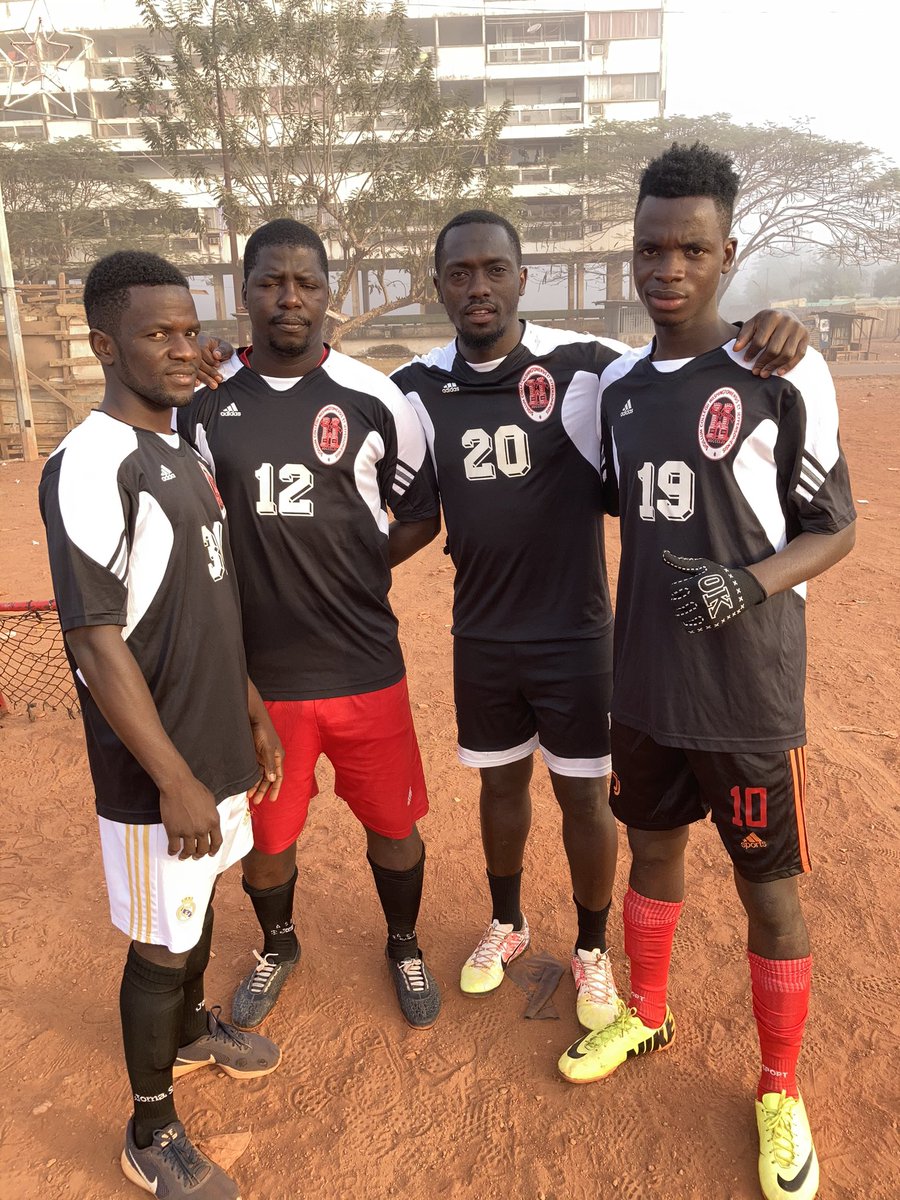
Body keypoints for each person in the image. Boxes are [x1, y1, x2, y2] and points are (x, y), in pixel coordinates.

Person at [391, 210, 810, 1031]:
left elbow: (682, 363)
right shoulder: (412, 387)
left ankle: (590, 948)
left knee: (586, 798)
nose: (478, 287)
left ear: (522, 276)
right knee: (499, 786)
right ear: (437, 283)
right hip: (480, 634)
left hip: (580, 636)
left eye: (494, 269)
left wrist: (769, 323)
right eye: (459, 273)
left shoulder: (590, 367)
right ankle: (507, 924)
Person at [557, 144, 855, 1200]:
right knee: (652, 851)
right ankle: (646, 1012)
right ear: (630, 256)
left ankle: (778, 1087)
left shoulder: (782, 368)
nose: (667, 266)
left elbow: (836, 529)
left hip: (746, 693)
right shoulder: (619, 388)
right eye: (650, 247)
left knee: (768, 892)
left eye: (690, 247)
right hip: (642, 684)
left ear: (727, 253)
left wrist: (749, 586)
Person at [39, 251, 285, 1199]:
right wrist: (174, 778)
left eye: (190, 331)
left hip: (215, 740)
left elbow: (208, 603)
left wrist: (253, 711)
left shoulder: (184, 451)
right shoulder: (91, 464)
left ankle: (190, 1034)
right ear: (106, 345)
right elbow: (97, 644)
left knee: (200, 905)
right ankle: (150, 1128)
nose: (186, 350)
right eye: (159, 335)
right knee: (159, 943)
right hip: (159, 768)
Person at [180, 220, 442, 1031]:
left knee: (394, 826)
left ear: (330, 294)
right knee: (268, 841)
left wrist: (356, 568)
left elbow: (420, 512)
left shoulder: (377, 397)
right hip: (261, 682)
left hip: (366, 667)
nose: (289, 299)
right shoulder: (205, 403)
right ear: (244, 290)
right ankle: (279, 943)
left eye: (306, 284)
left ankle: (403, 942)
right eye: (270, 282)